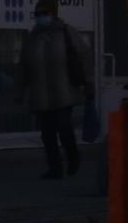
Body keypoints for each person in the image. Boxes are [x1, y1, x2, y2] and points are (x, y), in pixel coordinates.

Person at [22, 12, 91, 180]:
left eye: (43, 14)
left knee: (64, 128)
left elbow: (84, 57)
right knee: (47, 134)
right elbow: (24, 64)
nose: (40, 18)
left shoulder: (66, 32)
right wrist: (21, 89)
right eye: (38, 15)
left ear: (52, 15)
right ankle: (55, 169)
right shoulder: (33, 36)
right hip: (41, 95)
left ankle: (73, 157)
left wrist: (89, 83)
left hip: (64, 92)